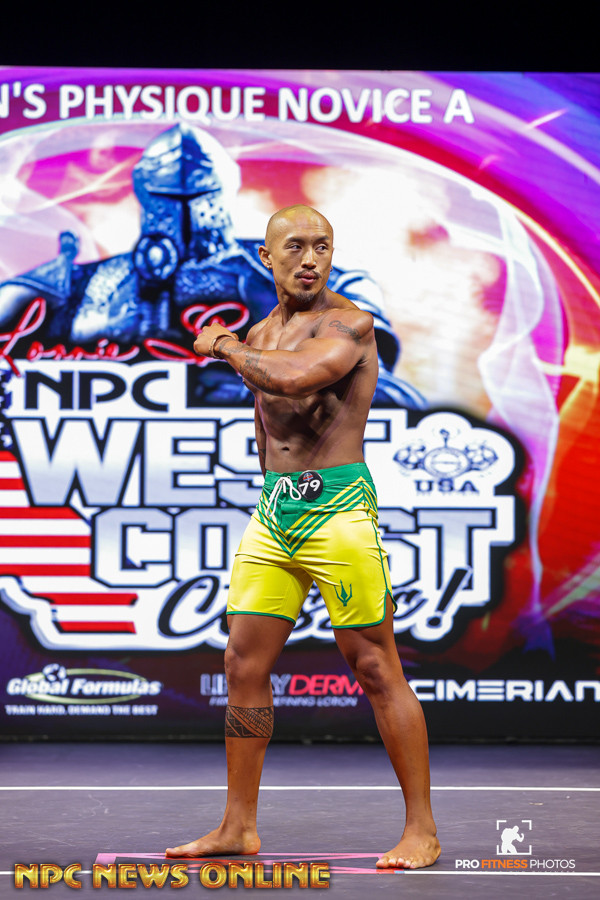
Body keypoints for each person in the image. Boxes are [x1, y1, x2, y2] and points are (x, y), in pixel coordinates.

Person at [166, 205, 440, 870]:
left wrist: (223, 346)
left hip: (338, 509)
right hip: (275, 513)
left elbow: (293, 378)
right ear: (267, 256)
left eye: (322, 246)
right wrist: (243, 348)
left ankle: (422, 831)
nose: (310, 258)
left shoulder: (350, 324)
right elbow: (271, 428)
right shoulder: (265, 331)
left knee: (374, 665)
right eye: (294, 246)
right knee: (242, 665)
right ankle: (237, 826)